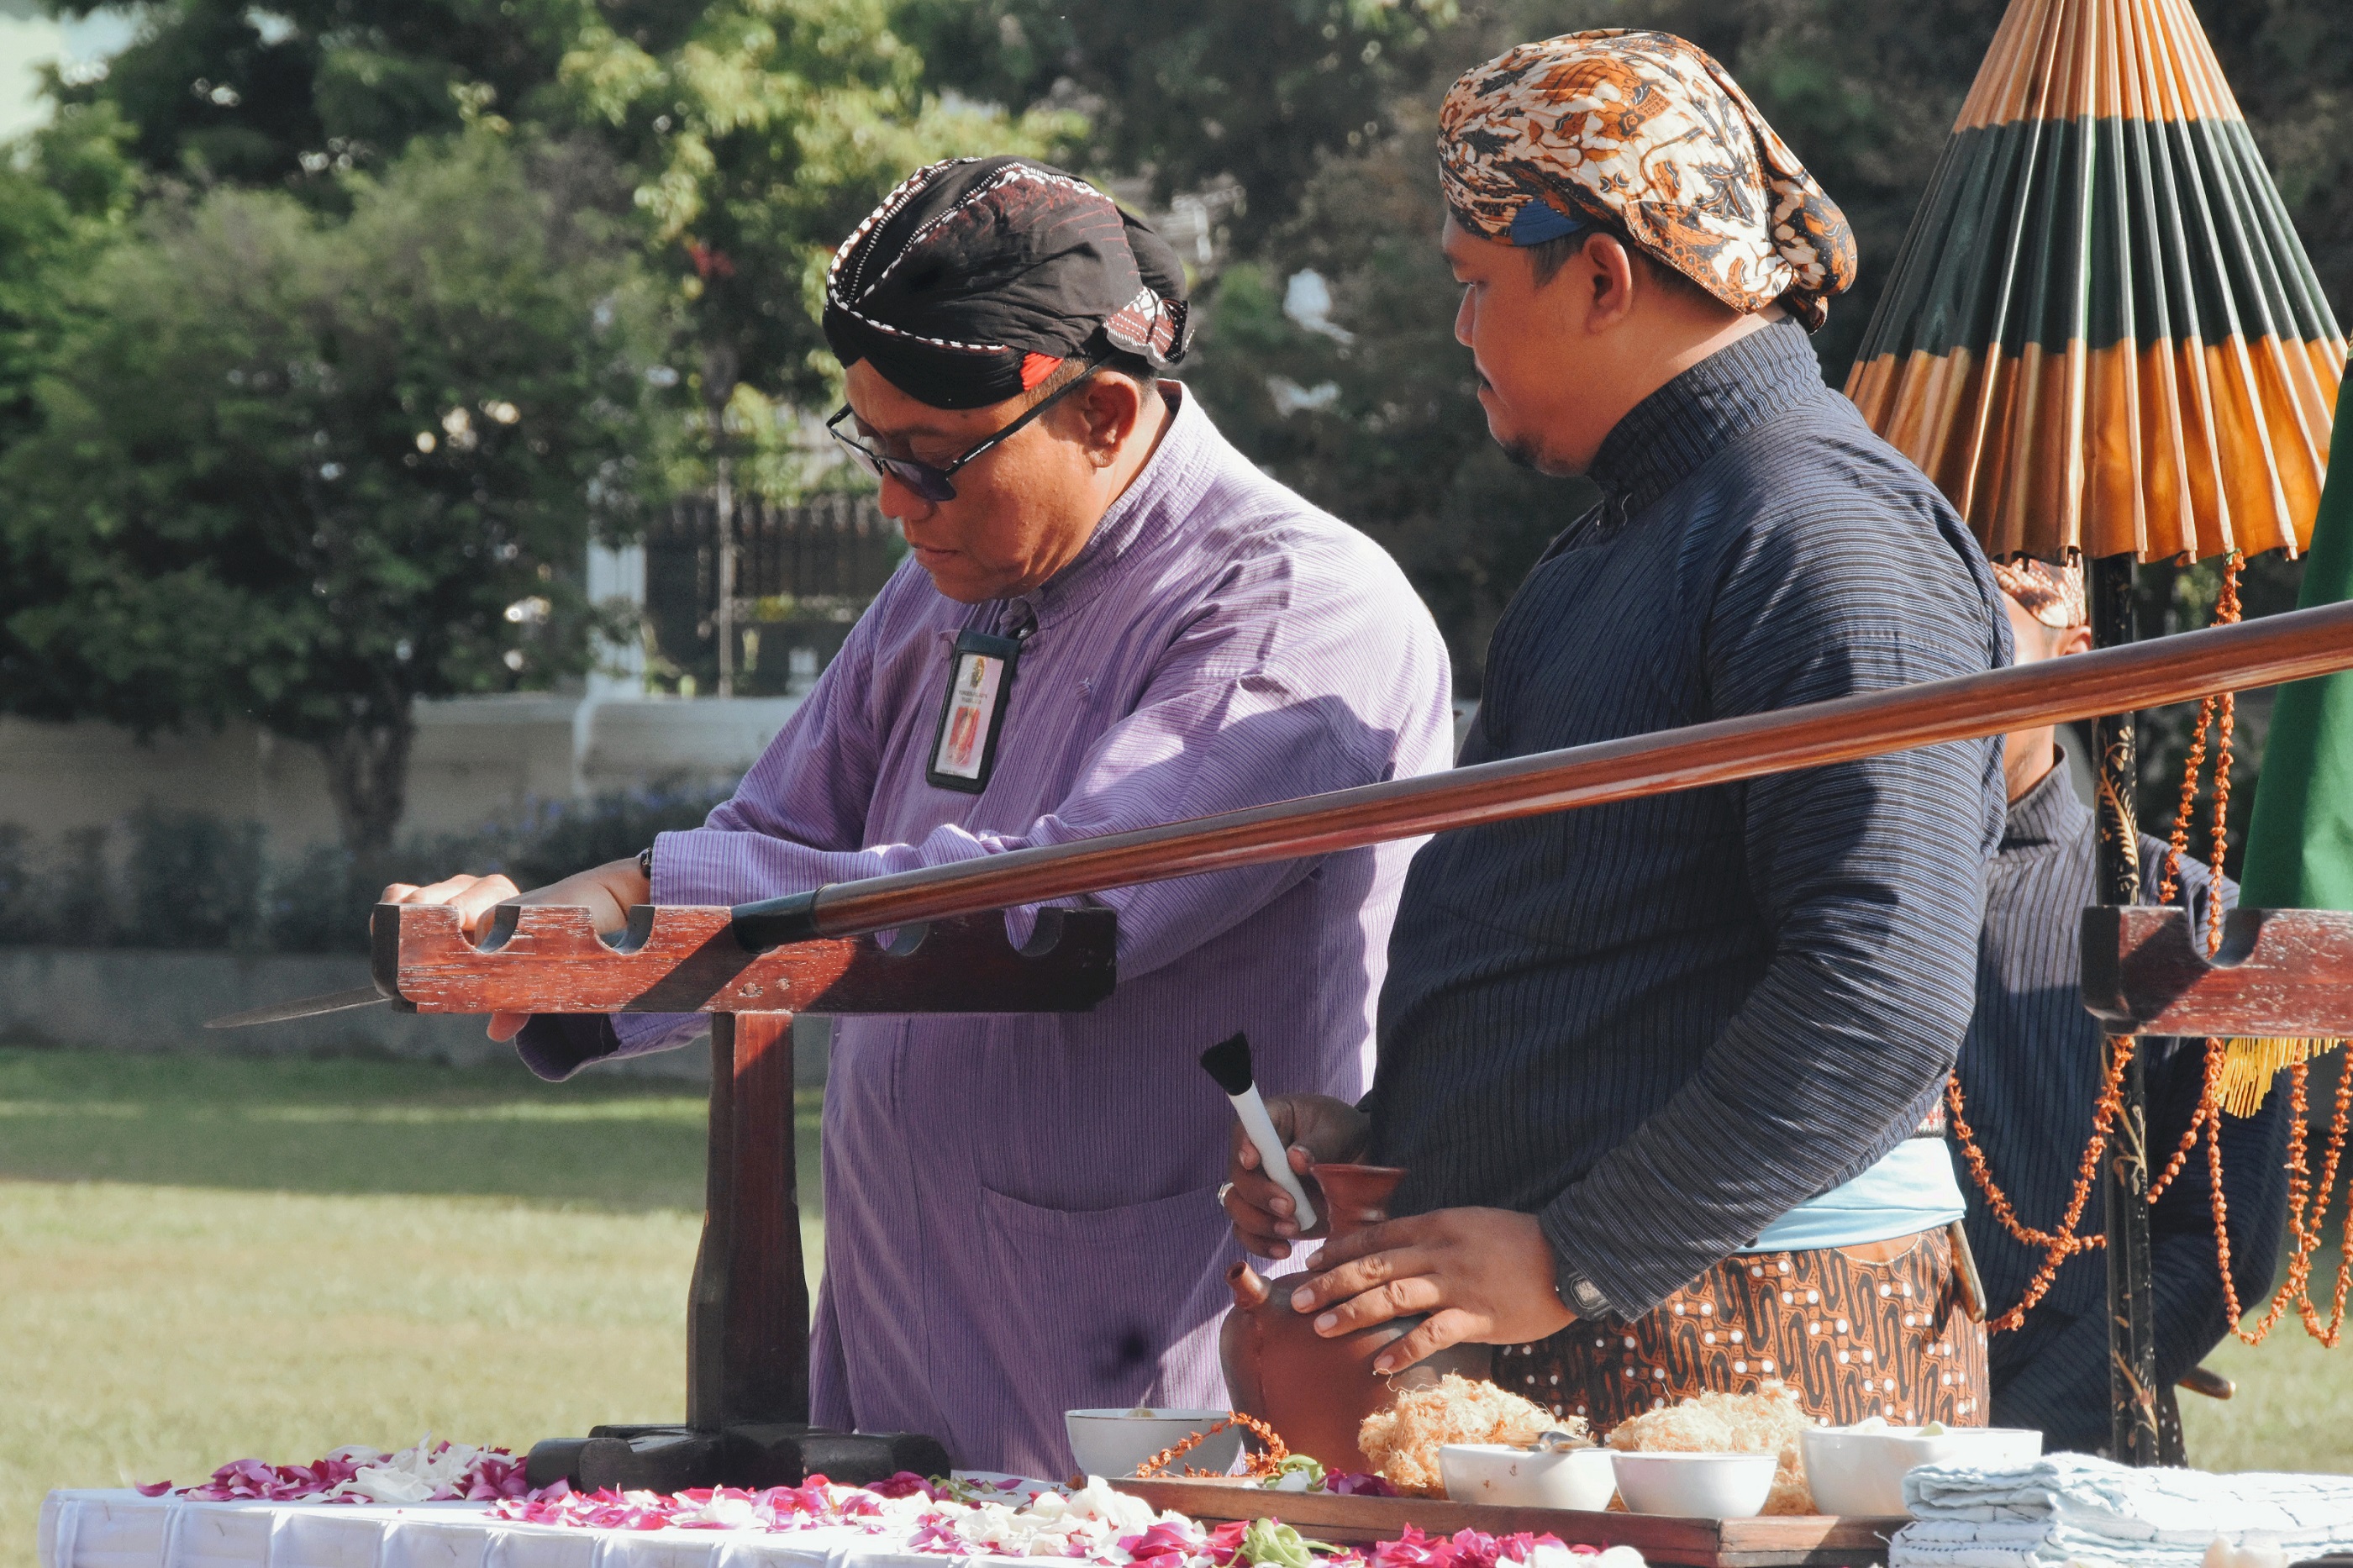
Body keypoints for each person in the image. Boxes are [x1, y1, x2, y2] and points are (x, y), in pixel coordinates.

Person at [387, 155, 1455, 1476]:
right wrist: (561, 942)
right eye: (877, 450)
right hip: (899, 1326)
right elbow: (773, 825)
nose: (897, 505)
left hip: (1144, 1359)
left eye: (933, 462)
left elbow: (1063, 899)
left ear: (1107, 414)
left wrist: (649, 889)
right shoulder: (956, 579)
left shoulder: (1297, 605)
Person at [1222, 29, 2009, 1429]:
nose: (1459, 331)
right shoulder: (1650, 530)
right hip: (1610, 1306)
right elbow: (1609, 958)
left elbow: (1880, 985)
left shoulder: (1819, 530)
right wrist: (1392, 1142)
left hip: (1752, 1330)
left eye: (1474, 286)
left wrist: (1581, 1253)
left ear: (1599, 274)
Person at [1953, 557, 2288, 1460]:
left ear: (2077, 655)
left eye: (2008, 592)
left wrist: (2006, 1443)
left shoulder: (2194, 912)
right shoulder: (1829, 889)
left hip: (2084, 1463)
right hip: (1845, 1440)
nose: (1953, 624)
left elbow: (2225, 1246)